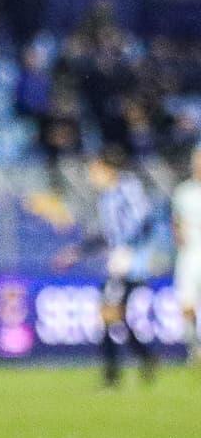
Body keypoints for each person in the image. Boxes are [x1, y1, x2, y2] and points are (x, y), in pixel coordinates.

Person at [56, 146, 166, 385]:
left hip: (133, 261)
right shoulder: (106, 198)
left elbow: (144, 220)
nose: (92, 176)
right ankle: (144, 358)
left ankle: (112, 375)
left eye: (95, 171)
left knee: (108, 312)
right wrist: (78, 251)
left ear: (107, 169)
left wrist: (131, 250)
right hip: (119, 259)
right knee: (114, 313)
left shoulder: (128, 188)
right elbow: (107, 234)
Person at [175, 145, 201, 366]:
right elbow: (176, 221)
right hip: (189, 254)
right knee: (187, 303)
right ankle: (194, 349)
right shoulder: (183, 191)